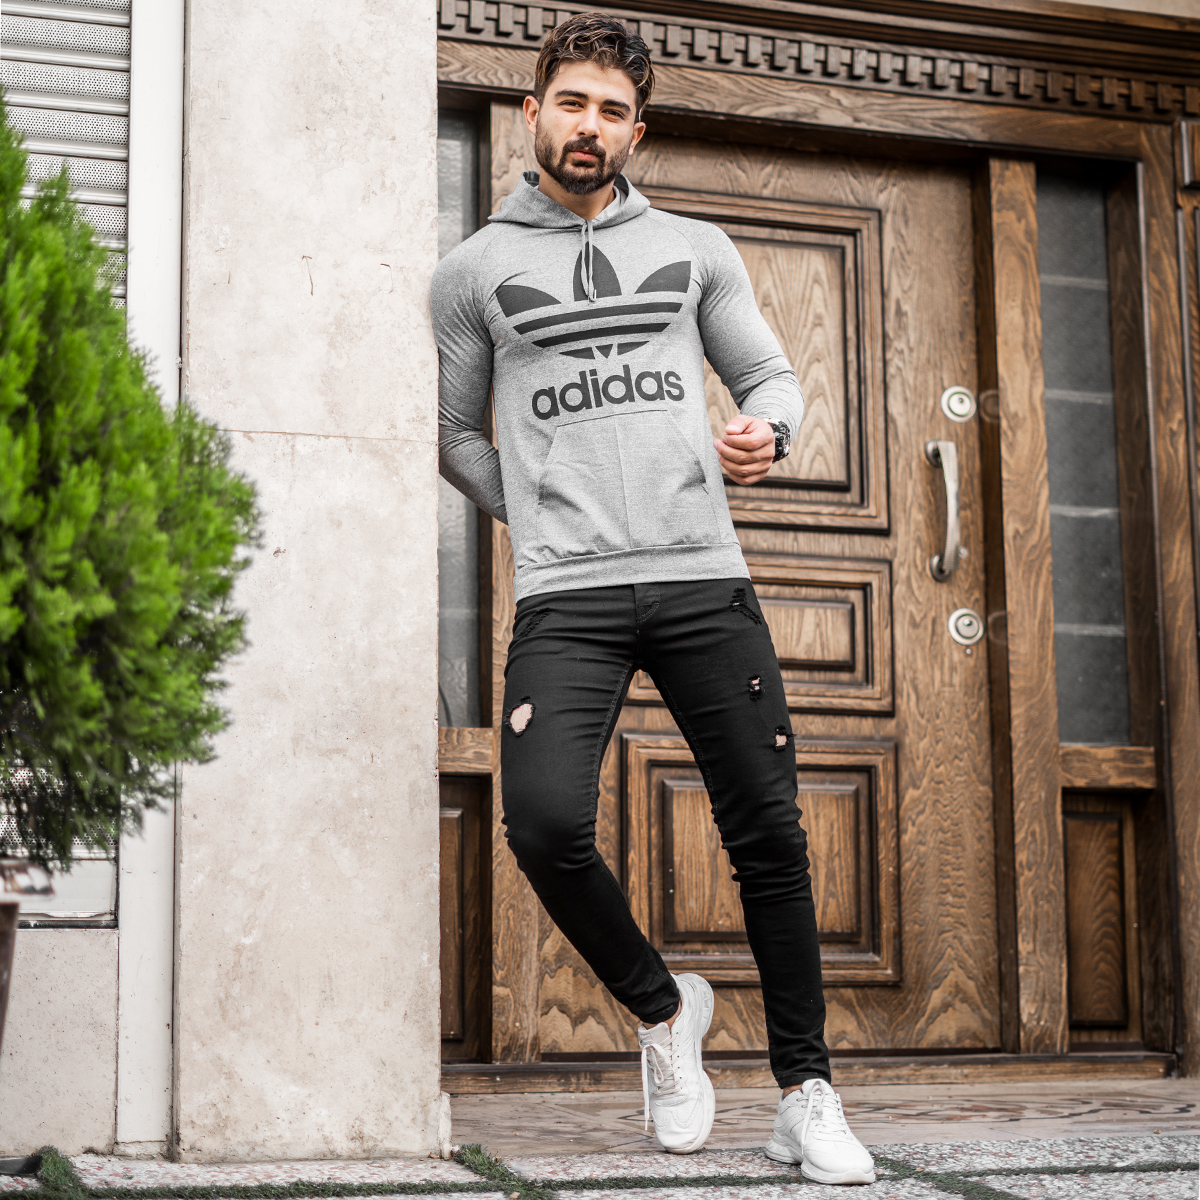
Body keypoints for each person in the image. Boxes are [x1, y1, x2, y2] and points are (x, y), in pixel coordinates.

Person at [432, 12, 875, 1186]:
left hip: (700, 578)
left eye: (614, 111)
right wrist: (543, 513)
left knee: (769, 833)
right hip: (567, 596)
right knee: (542, 824)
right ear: (533, 111)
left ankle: (806, 1094)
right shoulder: (471, 273)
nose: (591, 127)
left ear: (639, 129)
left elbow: (771, 377)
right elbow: (455, 435)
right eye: (573, 103)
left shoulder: (695, 248)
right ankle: (665, 1007)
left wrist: (765, 433)